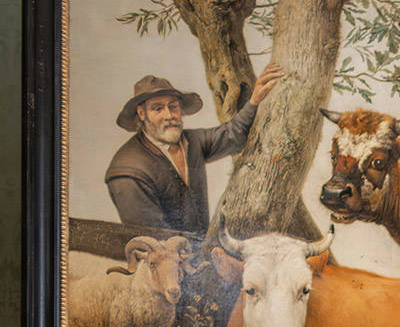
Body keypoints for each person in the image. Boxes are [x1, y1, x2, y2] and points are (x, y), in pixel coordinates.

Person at [106, 62, 286, 234]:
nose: (169, 115)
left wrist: (254, 100)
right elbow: (152, 235)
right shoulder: (126, 170)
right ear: (141, 113)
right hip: (165, 260)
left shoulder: (192, 142)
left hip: (202, 254)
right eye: (158, 109)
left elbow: (233, 134)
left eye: (173, 107)